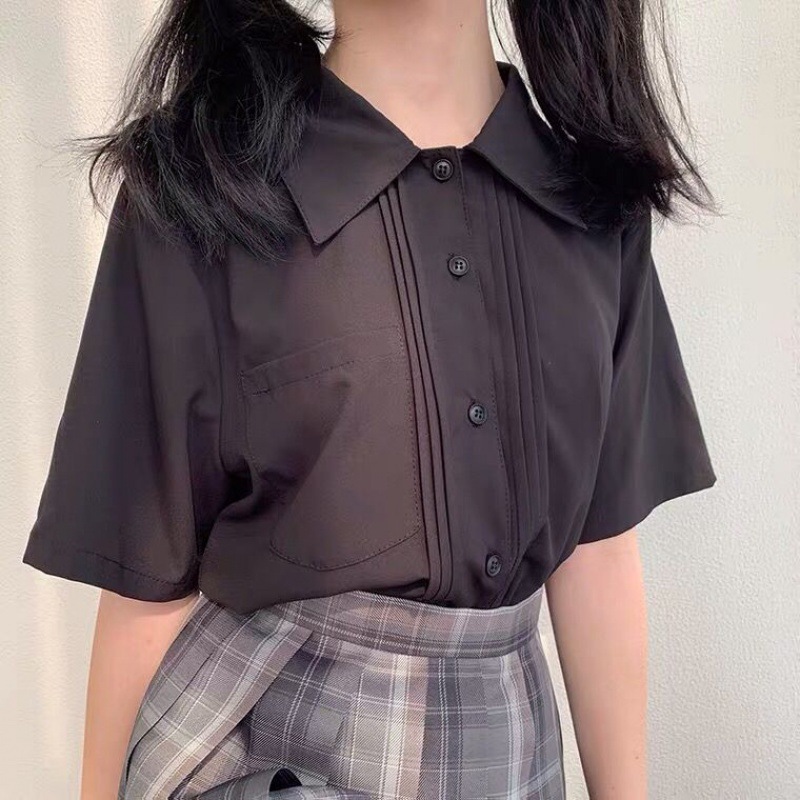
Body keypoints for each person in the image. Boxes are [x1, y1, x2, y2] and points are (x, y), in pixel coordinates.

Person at [22, 0, 718, 798]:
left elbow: (598, 547)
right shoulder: (199, 195)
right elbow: (148, 569)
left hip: (512, 756)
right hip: (261, 758)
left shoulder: (595, 202)